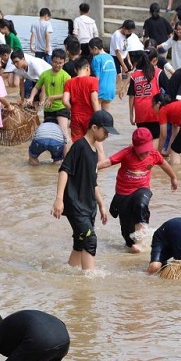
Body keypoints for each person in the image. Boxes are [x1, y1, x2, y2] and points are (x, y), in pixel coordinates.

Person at [52, 110, 117, 271]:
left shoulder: (94, 152)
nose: (107, 136)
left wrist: (101, 205)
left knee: (81, 242)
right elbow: (64, 170)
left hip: (88, 205)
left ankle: (68, 272)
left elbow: (93, 182)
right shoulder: (79, 146)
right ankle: (88, 281)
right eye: (105, 131)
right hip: (75, 203)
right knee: (90, 240)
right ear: (94, 127)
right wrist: (59, 198)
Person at [98, 127, 179, 253]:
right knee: (128, 238)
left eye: (146, 152)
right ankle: (135, 245)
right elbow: (108, 162)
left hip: (142, 189)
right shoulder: (126, 153)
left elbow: (164, 164)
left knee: (141, 204)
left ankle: (141, 240)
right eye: (141, 152)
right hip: (123, 193)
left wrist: (173, 178)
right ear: (133, 146)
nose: (144, 155)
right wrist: (91, 167)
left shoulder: (153, 154)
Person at [27, 48, 72, 153]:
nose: (57, 65)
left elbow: (68, 94)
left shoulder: (66, 76)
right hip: (48, 109)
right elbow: (36, 88)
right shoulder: (45, 74)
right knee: (49, 134)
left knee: (64, 134)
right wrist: (31, 97)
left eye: (60, 63)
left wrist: (53, 97)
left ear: (64, 62)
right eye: (55, 62)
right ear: (51, 60)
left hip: (61, 108)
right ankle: (55, 157)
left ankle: (67, 159)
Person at [127, 48, 164, 139]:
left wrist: (131, 115)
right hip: (154, 111)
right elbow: (169, 89)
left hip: (140, 113)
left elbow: (131, 96)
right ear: (155, 60)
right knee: (155, 138)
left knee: (144, 139)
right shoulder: (158, 72)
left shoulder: (135, 75)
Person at [62, 58, 100, 143]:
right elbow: (94, 100)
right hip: (90, 117)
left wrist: (72, 109)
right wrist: (99, 116)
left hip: (75, 117)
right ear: (87, 67)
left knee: (78, 143)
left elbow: (64, 101)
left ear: (75, 70)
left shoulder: (69, 82)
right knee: (93, 144)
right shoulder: (93, 80)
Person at [88, 37, 117, 112]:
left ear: (95, 48)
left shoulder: (96, 59)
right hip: (111, 90)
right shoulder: (110, 57)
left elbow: (96, 78)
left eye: (90, 50)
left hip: (100, 90)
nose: (90, 52)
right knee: (105, 115)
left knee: (94, 114)